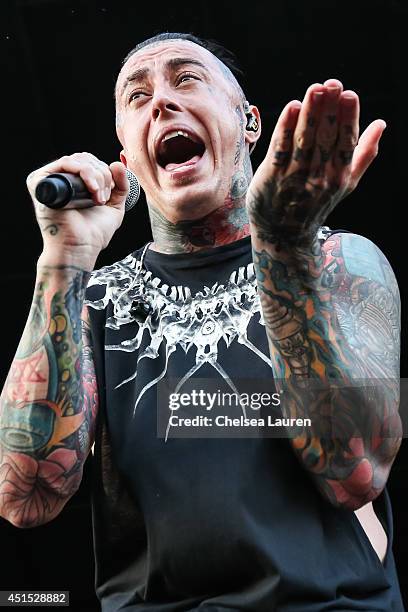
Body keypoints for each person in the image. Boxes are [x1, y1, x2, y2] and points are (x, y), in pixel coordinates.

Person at [0, 31, 404, 611]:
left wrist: (284, 248)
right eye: (136, 97)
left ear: (250, 122)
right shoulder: (96, 298)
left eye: (187, 79)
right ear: (127, 156)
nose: (160, 101)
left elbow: (357, 471)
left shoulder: (340, 260)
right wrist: (64, 259)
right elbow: (24, 497)